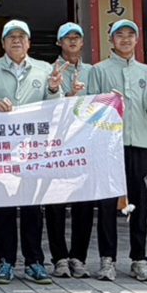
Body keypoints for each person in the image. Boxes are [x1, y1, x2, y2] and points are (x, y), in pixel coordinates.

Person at [0, 19, 61, 285]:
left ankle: (34, 262)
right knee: (3, 208)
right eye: (11, 37)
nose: (17, 41)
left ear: (29, 43)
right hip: (2, 151)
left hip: (33, 151)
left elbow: (55, 106)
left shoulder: (45, 69)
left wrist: (54, 88)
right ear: (3, 43)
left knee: (33, 208)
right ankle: (5, 262)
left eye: (22, 37)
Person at [84, 19, 147, 281]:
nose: (125, 39)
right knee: (106, 205)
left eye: (130, 35)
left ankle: (139, 259)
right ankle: (107, 260)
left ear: (137, 39)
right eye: (119, 35)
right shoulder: (99, 70)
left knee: (138, 203)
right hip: (108, 146)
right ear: (111, 40)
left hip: (138, 145)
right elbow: (89, 109)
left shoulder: (146, 72)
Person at [45, 22, 90, 279]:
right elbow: (45, 107)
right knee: (56, 205)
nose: (72, 41)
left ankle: (78, 257)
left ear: (82, 42)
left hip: (85, 146)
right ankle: (59, 258)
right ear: (59, 42)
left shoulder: (93, 71)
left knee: (84, 203)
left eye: (76, 37)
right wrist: (64, 97)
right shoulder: (47, 70)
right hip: (57, 146)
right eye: (67, 37)